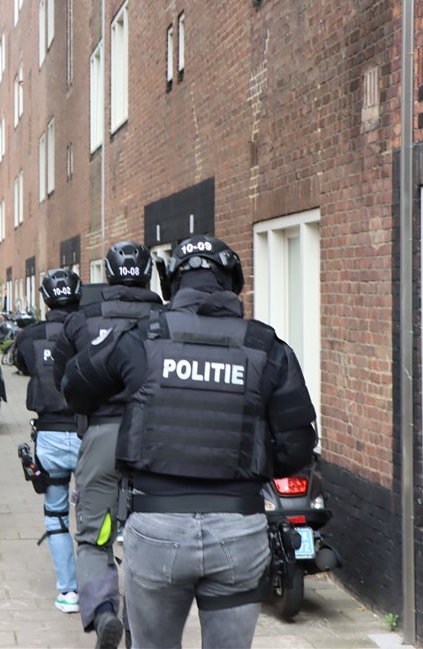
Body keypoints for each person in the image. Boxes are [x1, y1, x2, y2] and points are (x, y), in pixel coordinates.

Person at [60, 234, 318, 649]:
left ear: (170, 283)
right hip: (238, 530)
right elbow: (297, 449)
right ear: (234, 281)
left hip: (157, 529)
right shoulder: (266, 347)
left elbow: (75, 386)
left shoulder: (142, 337)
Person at [51, 240, 164, 648]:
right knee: (150, 536)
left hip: (101, 436)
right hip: (154, 440)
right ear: (148, 275)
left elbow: (63, 380)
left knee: (94, 536)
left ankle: (102, 612)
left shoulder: (82, 320)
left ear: (108, 275)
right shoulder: (167, 320)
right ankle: (138, 628)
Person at [13, 269, 84, 614]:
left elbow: (21, 363)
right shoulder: (91, 331)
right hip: (88, 435)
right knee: (94, 515)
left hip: (50, 437)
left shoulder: (30, 336)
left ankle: (68, 591)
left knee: (56, 515)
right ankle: (99, 588)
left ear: (45, 299)